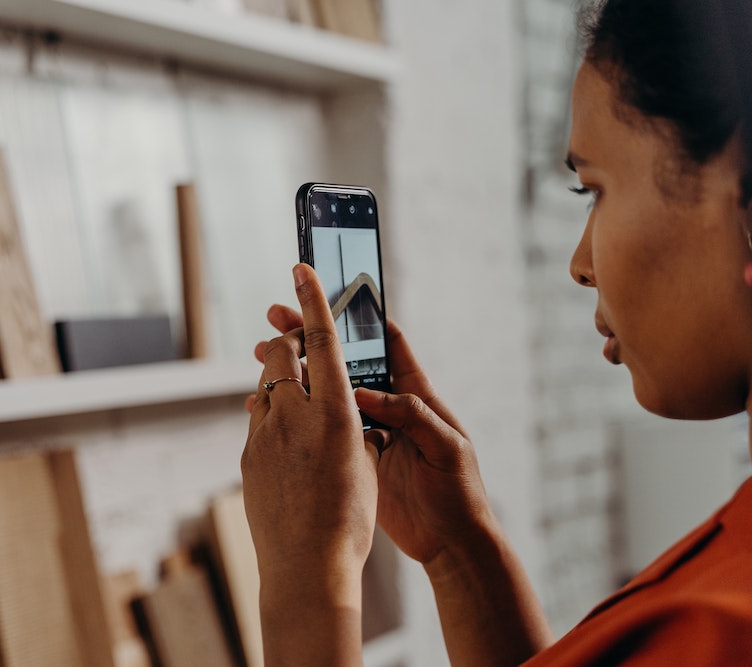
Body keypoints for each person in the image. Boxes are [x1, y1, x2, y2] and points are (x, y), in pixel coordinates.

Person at [241, 0, 752, 664]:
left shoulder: (714, 628)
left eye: (594, 189)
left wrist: (306, 577)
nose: (580, 263)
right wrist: (460, 552)